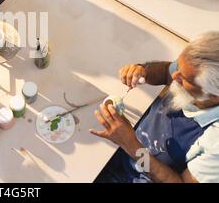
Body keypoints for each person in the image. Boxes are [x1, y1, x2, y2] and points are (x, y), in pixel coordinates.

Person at [91, 31, 219, 183]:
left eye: (183, 79)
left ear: (214, 94)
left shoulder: (215, 141)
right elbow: (166, 72)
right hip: (113, 155)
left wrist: (131, 146)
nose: (174, 76)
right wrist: (143, 70)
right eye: (178, 65)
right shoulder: (190, 71)